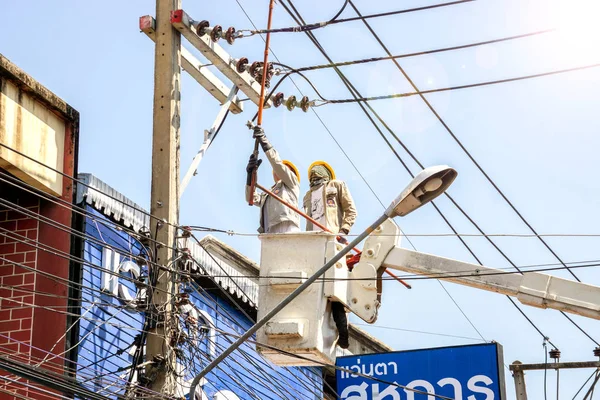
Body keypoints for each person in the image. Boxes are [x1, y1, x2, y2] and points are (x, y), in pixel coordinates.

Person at [302, 161, 357, 349]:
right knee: (318, 288)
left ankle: (343, 330)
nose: (314, 174)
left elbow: (351, 210)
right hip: (315, 244)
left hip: (334, 242)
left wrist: (344, 231)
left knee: (334, 288)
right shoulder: (308, 196)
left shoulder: (336, 186)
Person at [245, 126, 301, 234]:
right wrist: (250, 174)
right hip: (269, 231)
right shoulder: (268, 195)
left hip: (287, 225)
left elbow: (277, 164)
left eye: (286, 168)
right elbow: (250, 198)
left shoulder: (291, 183)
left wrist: (263, 140)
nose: (282, 169)